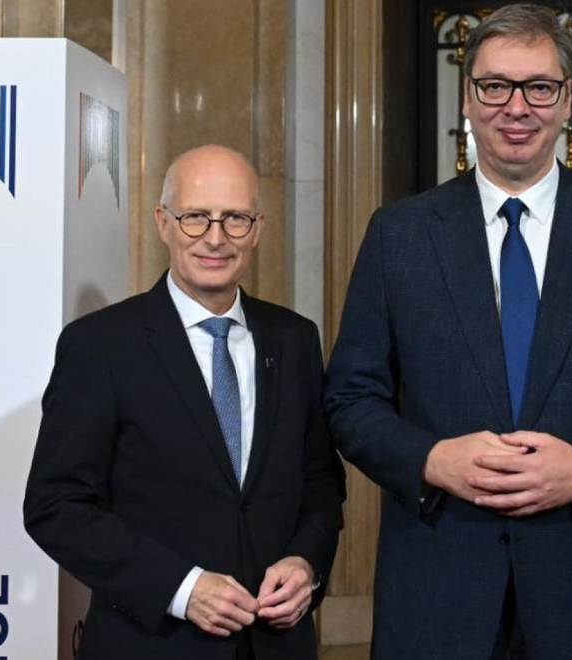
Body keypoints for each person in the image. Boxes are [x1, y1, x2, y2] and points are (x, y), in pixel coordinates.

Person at [323, 5, 572, 659]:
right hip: (437, 593)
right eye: (495, 86)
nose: (516, 107)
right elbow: (351, 399)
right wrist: (432, 460)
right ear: (467, 98)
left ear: (567, 100)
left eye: (539, 87)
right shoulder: (400, 235)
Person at [24, 145, 345, 660]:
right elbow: (56, 506)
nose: (215, 238)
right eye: (195, 217)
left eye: (235, 218)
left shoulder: (295, 339)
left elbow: (320, 481)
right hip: (151, 644)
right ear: (163, 223)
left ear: (258, 228)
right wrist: (181, 587)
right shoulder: (101, 345)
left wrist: (307, 562)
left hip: (277, 645)